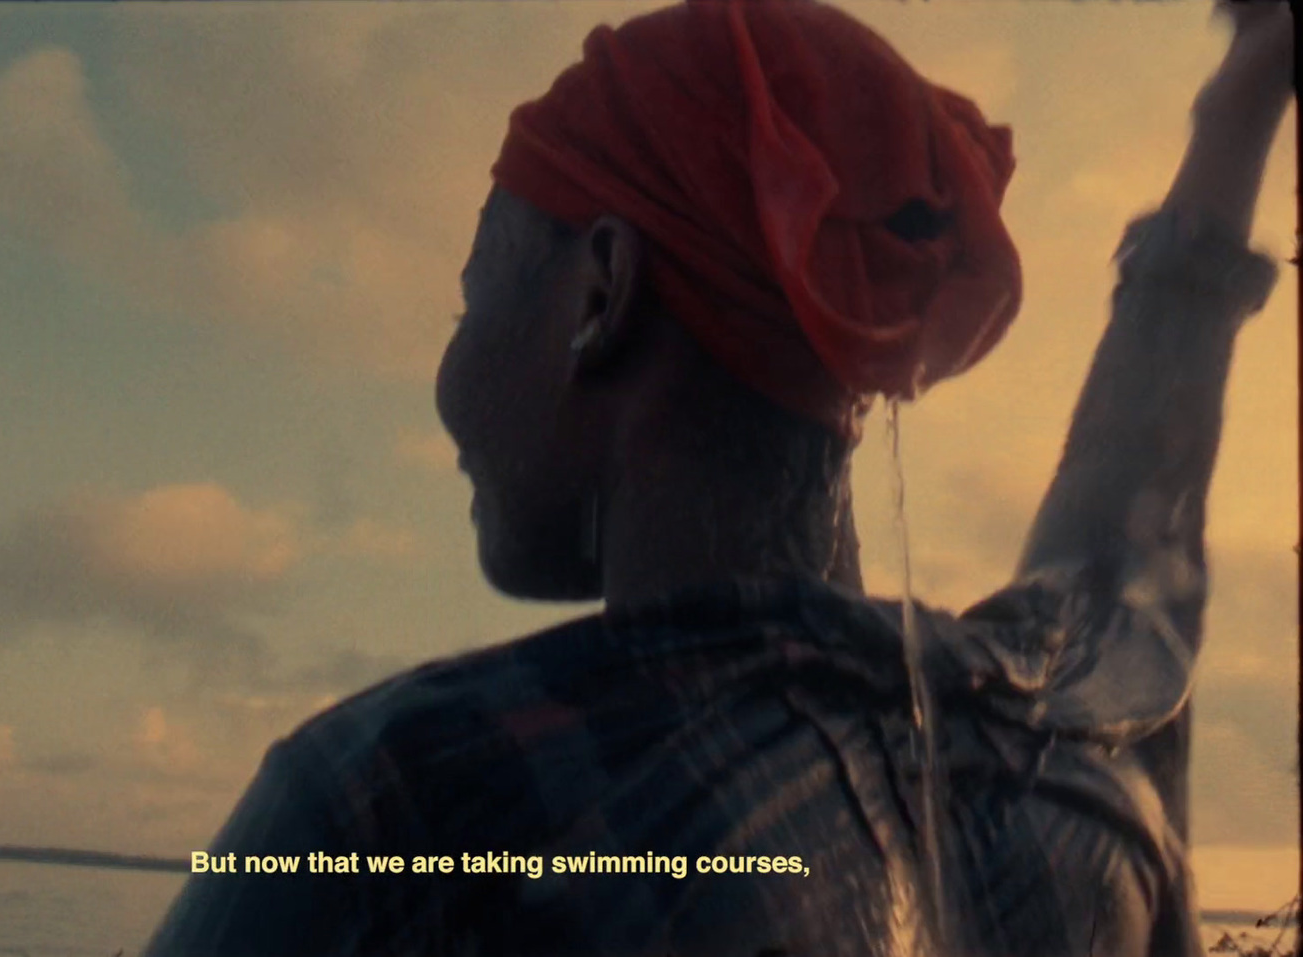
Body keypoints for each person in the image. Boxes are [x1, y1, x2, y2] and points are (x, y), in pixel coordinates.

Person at [142, 0, 1293, 954]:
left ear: (599, 294)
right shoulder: (1076, 736)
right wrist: (1242, 104)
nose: (447, 383)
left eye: (469, 298)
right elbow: (1133, 525)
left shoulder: (403, 809)